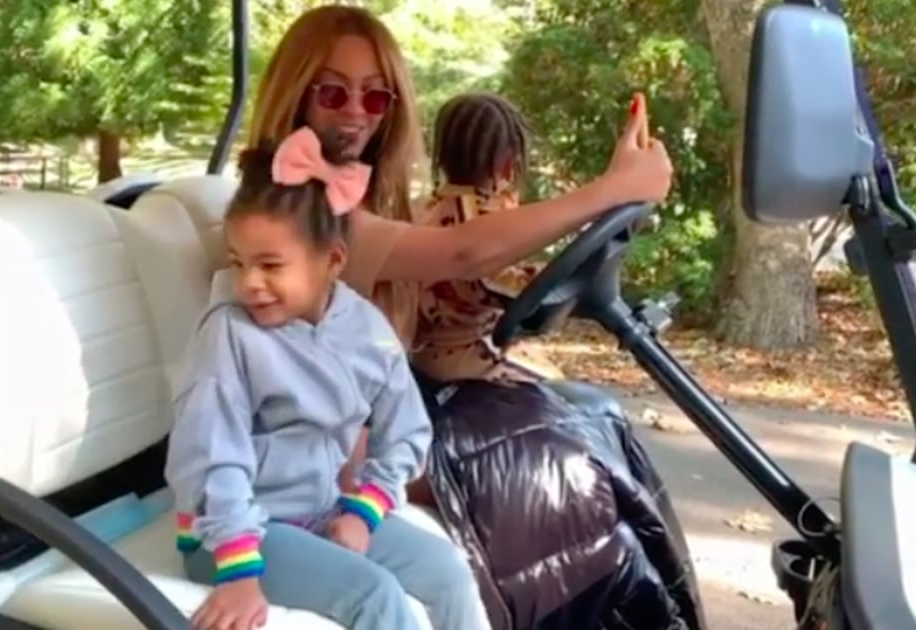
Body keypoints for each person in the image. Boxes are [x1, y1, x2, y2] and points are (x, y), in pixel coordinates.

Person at [244, 7, 705, 630]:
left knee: (594, 424)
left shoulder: (363, 195)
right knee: (558, 468)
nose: (355, 112)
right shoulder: (296, 209)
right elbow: (463, 253)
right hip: (339, 449)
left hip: (393, 409)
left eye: (374, 97)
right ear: (295, 92)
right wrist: (610, 190)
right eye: (332, 92)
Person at [164, 126, 490, 630]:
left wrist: (364, 511)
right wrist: (238, 571)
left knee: (448, 570)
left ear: (333, 260)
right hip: (234, 534)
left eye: (270, 265)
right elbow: (211, 455)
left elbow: (407, 431)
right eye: (238, 263)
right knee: (375, 596)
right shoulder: (229, 334)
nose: (249, 282)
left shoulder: (365, 331)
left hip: (319, 511)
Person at [412, 91, 555, 385]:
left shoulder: (425, 207)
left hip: (426, 357)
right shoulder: (483, 221)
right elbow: (504, 286)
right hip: (461, 364)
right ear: (508, 164)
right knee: (559, 401)